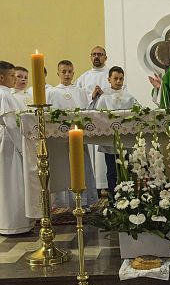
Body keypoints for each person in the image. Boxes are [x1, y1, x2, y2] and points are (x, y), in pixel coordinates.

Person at [47, 60, 98, 209]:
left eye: (69, 71)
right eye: (64, 71)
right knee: (65, 168)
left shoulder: (79, 91)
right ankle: (65, 203)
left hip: (78, 137)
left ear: (73, 73)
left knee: (82, 166)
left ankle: (83, 202)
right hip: (60, 139)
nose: (67, 74)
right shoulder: (52, 92)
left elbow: (86, 111)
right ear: (58, 73)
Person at [94, 66, 139, 202]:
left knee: (126, 170)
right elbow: (98, 117)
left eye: (121, 79)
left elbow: (138, 113)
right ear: (109, 79)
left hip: (126, 141)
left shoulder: (130, 97)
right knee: (112, 172)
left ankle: (128, 200)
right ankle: (113, 201)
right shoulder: (104, 98)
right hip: (110, 142)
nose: (118, 81)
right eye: (115, 78)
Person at [0, 61, 35, 234]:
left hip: (6, 141)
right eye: (12, 76)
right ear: (2, 77)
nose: (15, 79)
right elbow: (10, 124)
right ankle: (14, 224)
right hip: (10, 144)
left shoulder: (5, 94)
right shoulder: (4, 94)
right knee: (12, 183)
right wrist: (22, 146)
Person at [76, 46, 110, 193]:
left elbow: (119, 94)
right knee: (91, 154)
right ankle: (93, 188)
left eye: (100, 54)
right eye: (94, 54)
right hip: (89, 122)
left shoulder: (112, 74)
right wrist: (92, 96)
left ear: (105, 57)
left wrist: (104, 96)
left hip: (106, 122)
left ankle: (107, 186)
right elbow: (78, 99)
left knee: (105, 156)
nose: (97, 57)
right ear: (90, 57)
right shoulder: (83, 78)